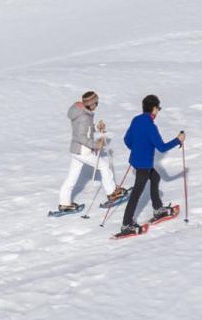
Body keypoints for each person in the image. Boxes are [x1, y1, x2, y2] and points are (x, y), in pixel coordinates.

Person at [118, 94, 185, 235]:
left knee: (155, 178)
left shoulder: (136, 120)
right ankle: (126, 225)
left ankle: (158, 208)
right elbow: (162, 147)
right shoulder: (150, 126)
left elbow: (127, 140)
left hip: (137, 161)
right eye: (158, 108)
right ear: (154, 108)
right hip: (143, 164)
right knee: (136, 193)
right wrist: (178, 140)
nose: (158, 111)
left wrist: (137, 149)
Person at [57, 91, 125, 213]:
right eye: (96, 103)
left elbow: (85, 129)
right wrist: (95, 144)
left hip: (76, 150)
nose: (97, 105)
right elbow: (81, 137)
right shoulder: (83, 117)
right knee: (104, 166)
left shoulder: (81, 113)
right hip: (83, 151)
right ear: (91, 104)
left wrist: (95, 128)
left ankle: (64, 204)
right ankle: (112, 194)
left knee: (71, 178)